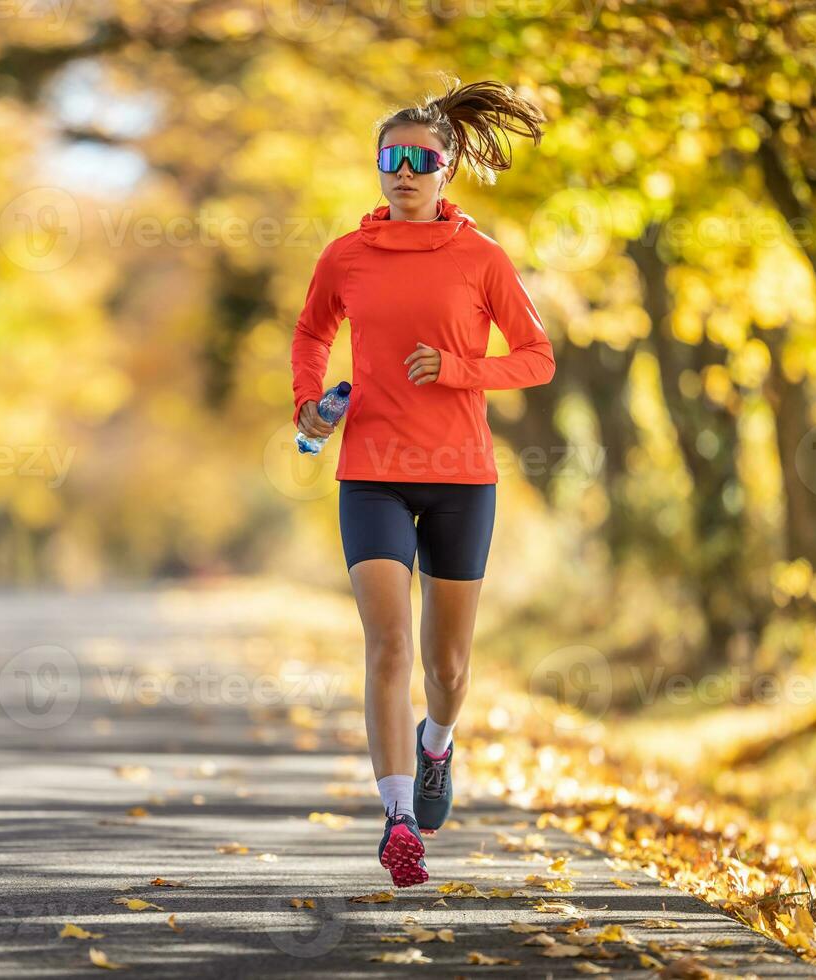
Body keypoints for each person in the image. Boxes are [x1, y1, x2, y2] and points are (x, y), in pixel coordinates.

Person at [290, 78, 555, 888]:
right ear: (376, 167)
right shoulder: (345, 254)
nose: (402, 171)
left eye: (419, 159)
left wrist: (457, 369)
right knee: (388, 645)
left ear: (446, 169)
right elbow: (311, 331)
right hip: (369, 472)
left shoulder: (481, 258)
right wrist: (310, 406)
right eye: (388, 159)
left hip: (459, 479)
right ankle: (398, 816)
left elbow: (537, 359)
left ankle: (436, 743)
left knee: (446, 669)